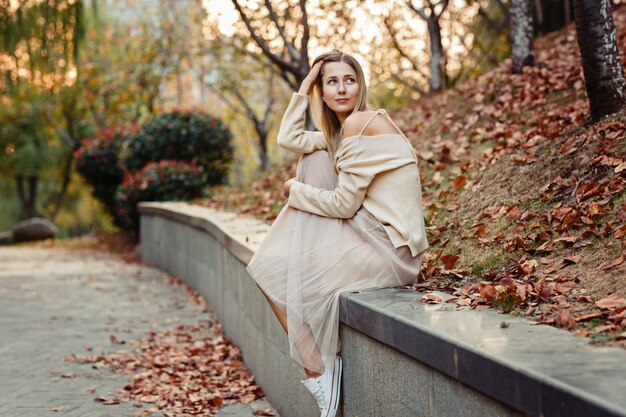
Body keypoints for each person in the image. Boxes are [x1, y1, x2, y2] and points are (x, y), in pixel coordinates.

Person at [245, 50, 429, 417]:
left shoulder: (361, 122)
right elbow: (290, 138)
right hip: (373, 238)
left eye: (350, 80)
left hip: (391, 251)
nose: (343, 88)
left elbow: (344, 205)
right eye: (332, 82)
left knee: (271, 270)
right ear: (322, 92)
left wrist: (293, 191)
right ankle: (321, 368)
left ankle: (319, 370)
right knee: (312, 159)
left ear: (360, 86)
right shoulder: (343, 132)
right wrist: (304, 87)